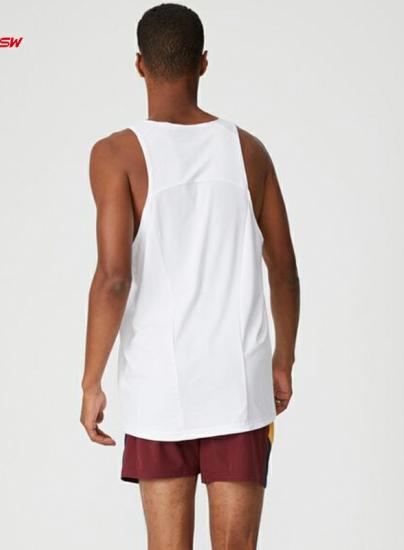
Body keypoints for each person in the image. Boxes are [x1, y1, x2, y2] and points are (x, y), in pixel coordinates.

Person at [80, 3, 300, 549]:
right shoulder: (248, 151)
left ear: (139, 65)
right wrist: (283, 360)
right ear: (203, 63)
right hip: (239, 383)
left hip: (159, 385)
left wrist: (91, 382)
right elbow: (284, 269)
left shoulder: (116, 154)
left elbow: (113, 277)